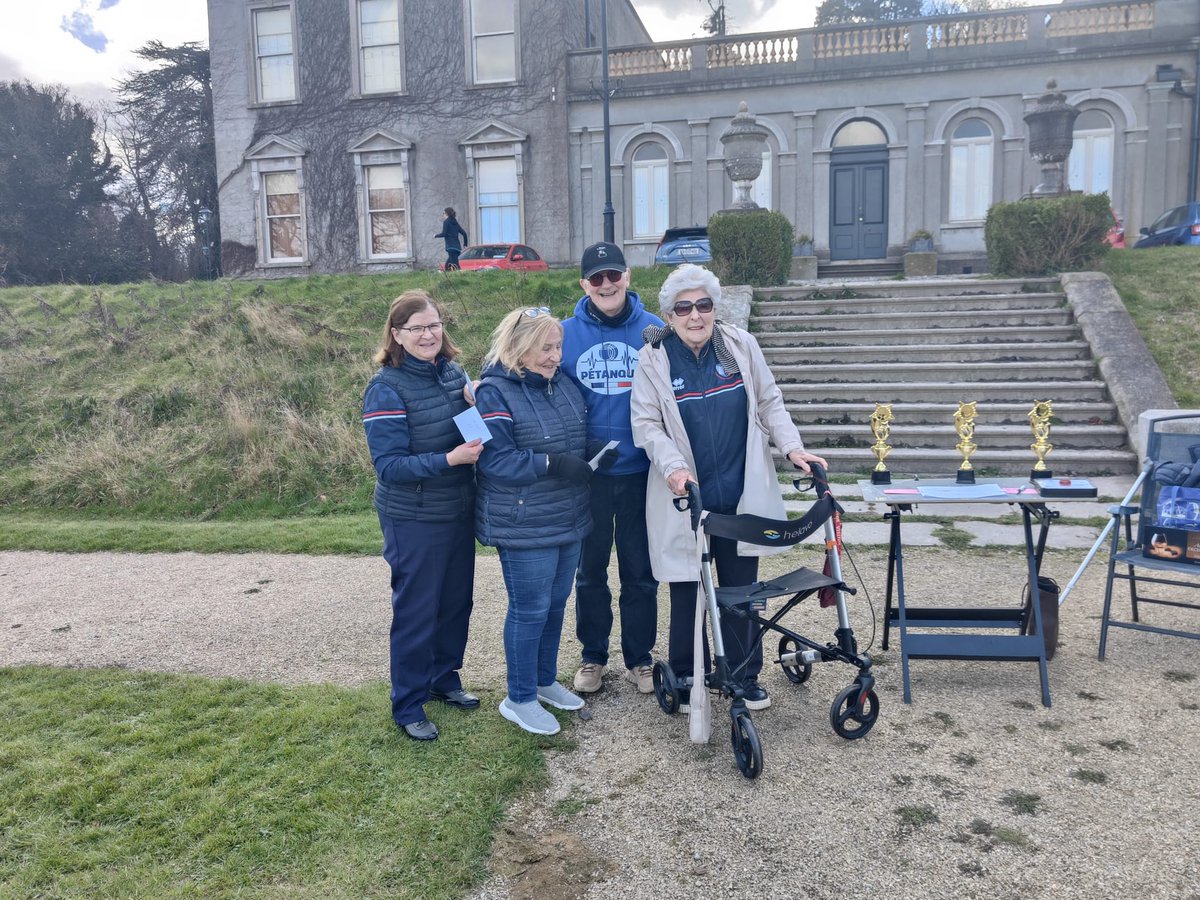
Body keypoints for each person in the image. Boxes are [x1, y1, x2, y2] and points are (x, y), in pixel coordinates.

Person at [631, 264, 828, 712]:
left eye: (703, 305)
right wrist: (675, 467)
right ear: (668, 314)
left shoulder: (742, 345)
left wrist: (794, 449)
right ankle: (685, 673)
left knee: (742, 592)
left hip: (740, 493)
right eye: (684, 307)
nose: (695, 315)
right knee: (687, 589)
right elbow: (646, 424)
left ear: (714, 308)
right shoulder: (654, 358)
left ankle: (743, 675)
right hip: (687, 497)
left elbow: (769, 401)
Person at [362, 290, 484, 742]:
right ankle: (409, 703)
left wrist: (480, 407)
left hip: (457, 509)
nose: (428, 334)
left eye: (433, 325)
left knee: (455, 602)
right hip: (413, 516)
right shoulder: (386, 387)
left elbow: (475, 431)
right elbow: (389, 467)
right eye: (416, 329)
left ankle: (444, 678)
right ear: (397, 335)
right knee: (417, 610)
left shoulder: (454, 374)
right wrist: (449, 460)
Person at [474, 307, 594, 735]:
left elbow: (578, 432)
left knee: (556, 603)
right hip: (523, 521)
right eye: (545, 347)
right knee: (530, 609)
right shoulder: (493, 392)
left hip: (568, 514)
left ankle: (544, 681)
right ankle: (519, 697)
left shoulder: (561, 384)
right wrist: (553, 463)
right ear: (519, 348)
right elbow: (496, 459)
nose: (555, 356)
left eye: (558, 346)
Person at [561, 241, 663, 695]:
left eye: (614, 275)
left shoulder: (656, 331)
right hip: (590, 475)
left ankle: (640, 658)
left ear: (627, 277)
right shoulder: (562, 334)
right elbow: (519, 364)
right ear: (584, 284)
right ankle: (593, 656)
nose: (606, 284)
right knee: (591, 570)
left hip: (644, 472)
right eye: (596, 278)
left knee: (641, 570)